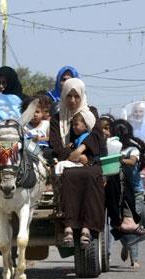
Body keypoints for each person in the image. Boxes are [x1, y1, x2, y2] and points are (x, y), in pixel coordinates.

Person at [48, 78, 107, 247]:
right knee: (68, 177)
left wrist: (82, 152)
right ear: (63, 97)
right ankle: (69, 226)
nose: (73, 100)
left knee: (92, 176)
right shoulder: (56, 120)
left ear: (82, 97)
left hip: (91, 162)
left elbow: (97, 139)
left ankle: (87, 228)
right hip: (67, 163)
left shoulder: (91, 116)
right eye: (69, 96)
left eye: (76, 96)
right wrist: (74, 156)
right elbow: (56, 146)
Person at [106, 119, 145, 247]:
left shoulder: (133, 149)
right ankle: (125, 245)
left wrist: (117, 159)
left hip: (135, 192)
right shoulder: (111, 148)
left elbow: (132, 161)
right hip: (120, 192)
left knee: (133, 225)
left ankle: (134, 259)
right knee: (124, 225)